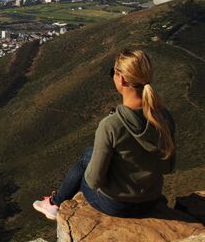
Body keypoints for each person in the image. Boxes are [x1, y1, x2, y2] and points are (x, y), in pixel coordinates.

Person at [33, 49, 176, 220]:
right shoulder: (164, 117)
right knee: (89, 153)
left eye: (112, 73)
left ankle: (55, 203)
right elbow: (168, 167)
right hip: (150, 201)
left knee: (86, 160)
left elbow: (93, 181)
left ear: (121, 78)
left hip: (117, 205)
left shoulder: (111, 125)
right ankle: (54, 202)